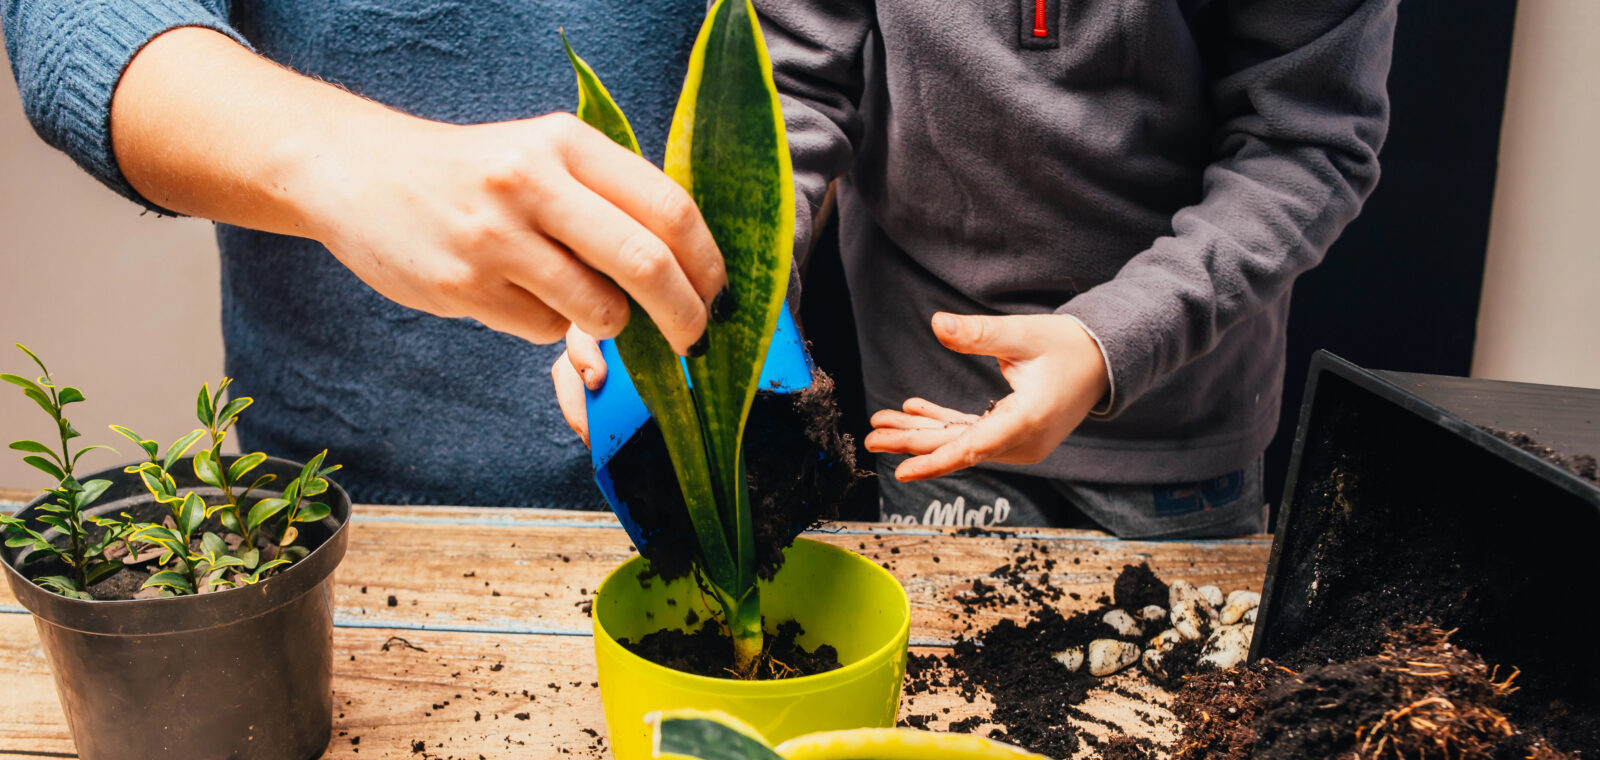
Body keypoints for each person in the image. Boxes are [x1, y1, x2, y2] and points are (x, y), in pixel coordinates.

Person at [558, 0, 1398, 537]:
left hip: (1177, 427)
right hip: (934, 412)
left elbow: (1306, 144)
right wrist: (686, 298)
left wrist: (1110, 341)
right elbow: (786, 87)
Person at [3, 1, 724, 507]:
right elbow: (73, 18)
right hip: (335, 507)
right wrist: (346, 162)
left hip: (738, 474)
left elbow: (809, 58)